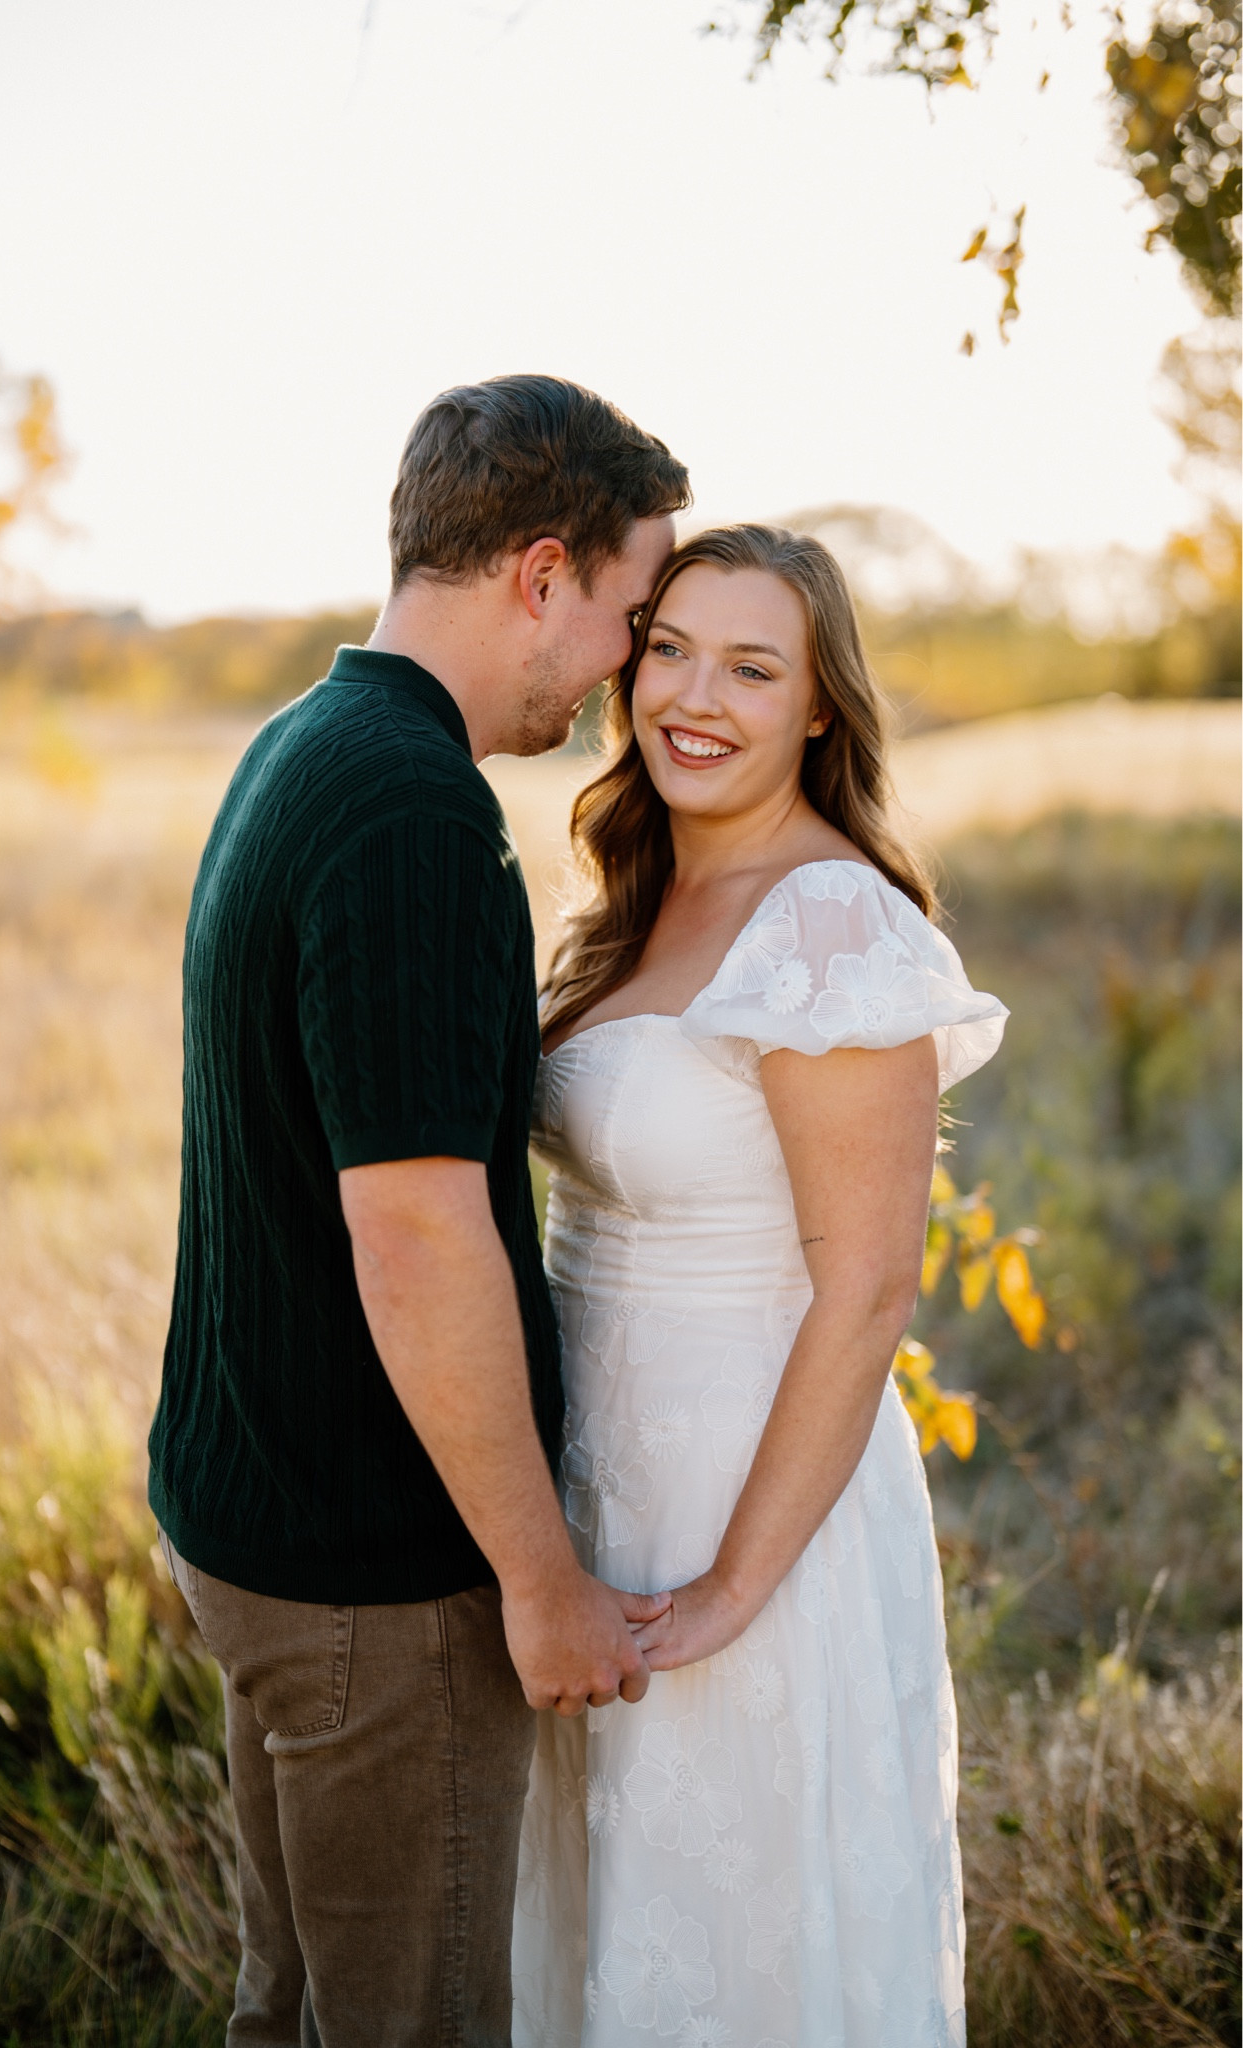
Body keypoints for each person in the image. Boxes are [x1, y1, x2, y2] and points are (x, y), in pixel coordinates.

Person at [147, 374, 690, 2048]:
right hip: (371, 1583)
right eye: (628, 611)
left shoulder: (304, 742)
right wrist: (538, 1581)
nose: (628, 670)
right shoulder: (411, 811)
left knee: (295, 2011)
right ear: (541, 574)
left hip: (261, 1523)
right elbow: (417, 1233)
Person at [513, 524, 1008, 2046]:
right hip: (597, 1480)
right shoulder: (637, 897)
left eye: (750, 665)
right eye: (668, 650)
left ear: (816, 708)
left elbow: (864, 1291)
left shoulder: (832, 923)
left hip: (750, 1502)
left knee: (732, 1939)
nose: (694, 697)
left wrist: (733, 1584)